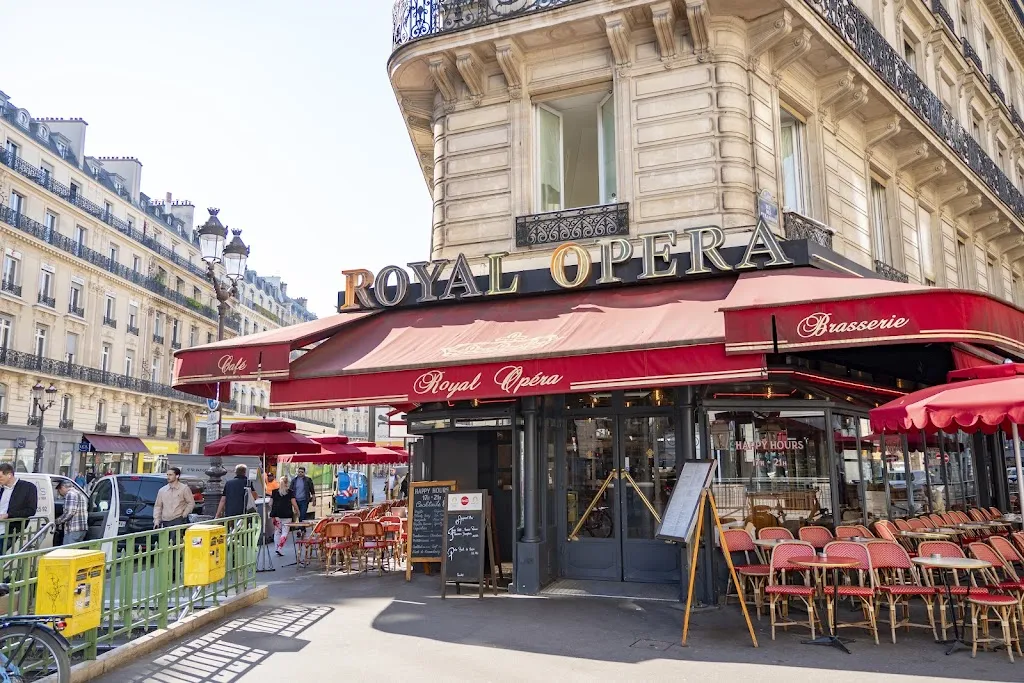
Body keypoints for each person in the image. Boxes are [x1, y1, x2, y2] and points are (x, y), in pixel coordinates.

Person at [0, 463, 38, 552]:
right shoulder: (1, 489)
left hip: (11, 529)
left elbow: (31, 510)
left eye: (0, 477)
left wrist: (8, 515)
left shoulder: (28, 487)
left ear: (9, 475)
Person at [269, 474, 299, 557]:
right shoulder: (290, 492)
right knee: (285, 532)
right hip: (287, 515)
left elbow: (270, 503)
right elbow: (294, 503)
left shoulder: (274, 492)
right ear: (287, 483)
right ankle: (280, 548)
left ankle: (276, 548)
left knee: (277, 532)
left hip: (276, 515)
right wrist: (297, 511)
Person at [55, 480, 88, 545]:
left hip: (73, 528)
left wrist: (57, 521)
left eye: (59, 491)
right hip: (81, 528)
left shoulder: (70, 494)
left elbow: (69, 513)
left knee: (68, 551)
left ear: (62, 487)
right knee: (75, 551)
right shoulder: (78, 493)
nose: (60, 494)